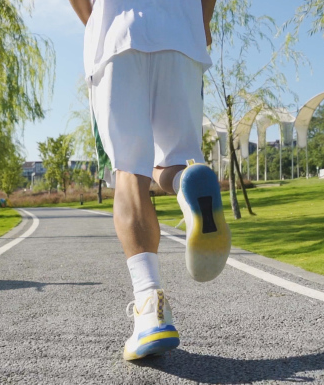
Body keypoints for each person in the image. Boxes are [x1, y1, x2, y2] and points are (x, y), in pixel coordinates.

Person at [69, 0, 230, 360]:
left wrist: (94, 22)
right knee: (175, 156)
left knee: (129, 170)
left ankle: (150, 307)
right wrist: (200, 22)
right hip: (180, 35)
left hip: (117, 32)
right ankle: (189, 182)